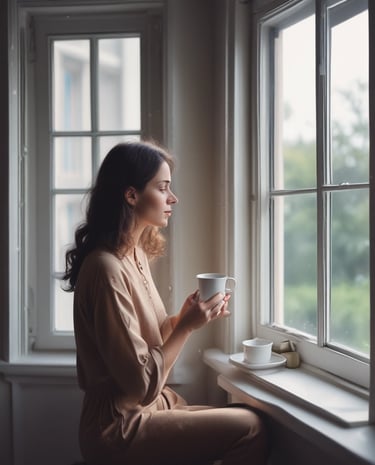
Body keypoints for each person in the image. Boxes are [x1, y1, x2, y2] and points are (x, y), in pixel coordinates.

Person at [63, 141, 268, 465]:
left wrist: (181, 319)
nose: (173, 198)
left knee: (247, 414)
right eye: (163, 188)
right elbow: (142, 383)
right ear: (131, 195)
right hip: (119, 426)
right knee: (250, 427)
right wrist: (186, 329)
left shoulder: (135, 254)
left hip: (151, 407)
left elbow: (143, 344)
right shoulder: (105, 269)